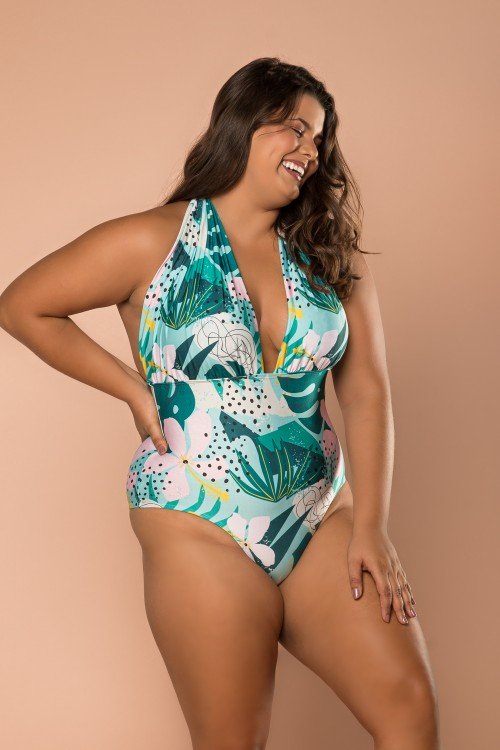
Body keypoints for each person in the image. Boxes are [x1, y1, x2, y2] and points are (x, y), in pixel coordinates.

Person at [0, 57, 440, 749]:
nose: (309, 149)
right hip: (198, 521)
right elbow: (22, 306)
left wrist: (371, 526)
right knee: (233, 740)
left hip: (321, 513)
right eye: (293, 127)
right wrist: (133, 390)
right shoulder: (152, 239)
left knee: (410, 710)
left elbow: (366, 391)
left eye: (318, 137)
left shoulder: (329, 254)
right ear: (242, 124)